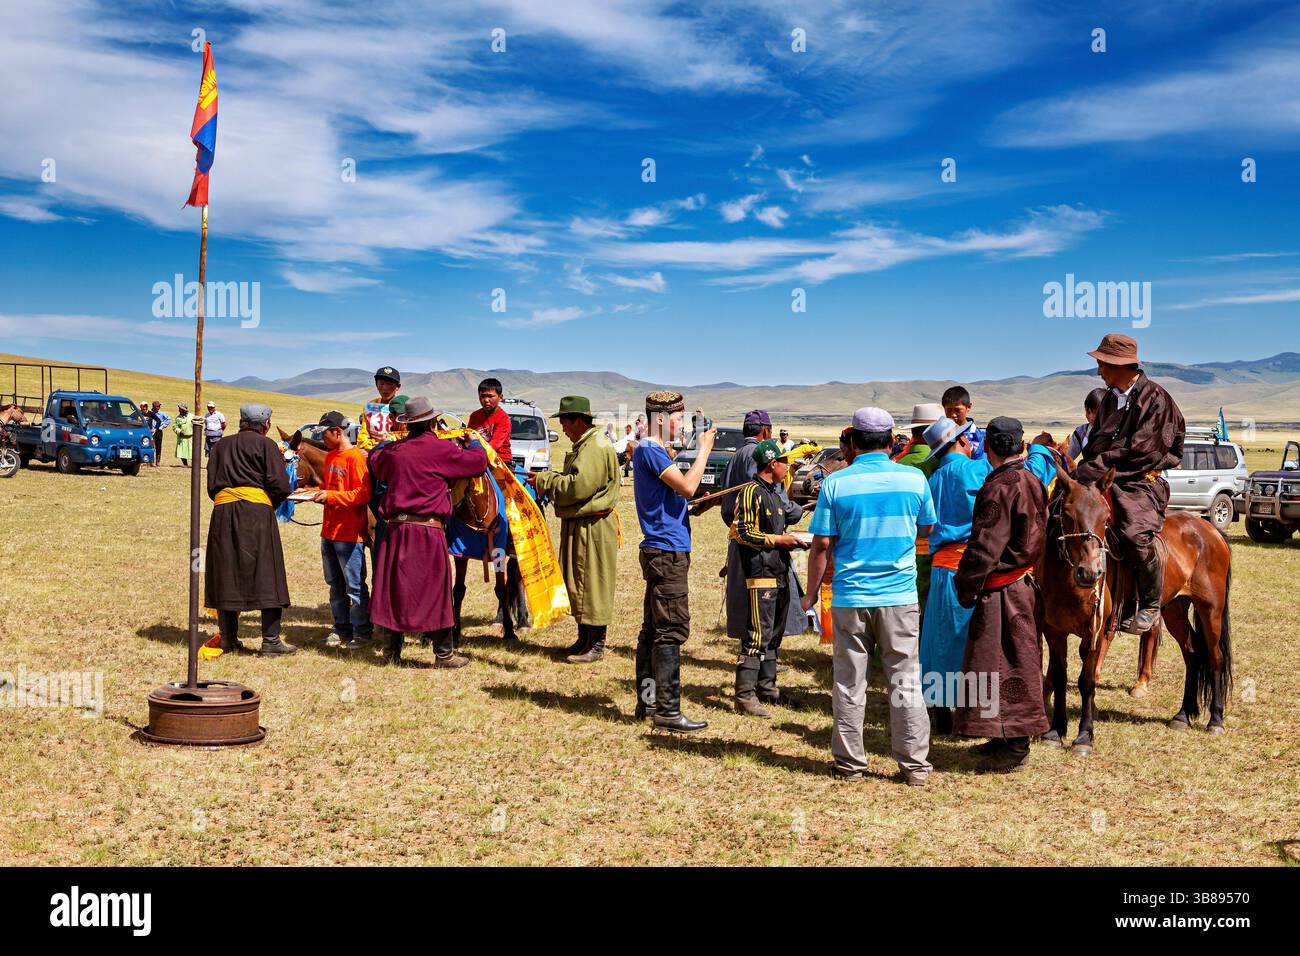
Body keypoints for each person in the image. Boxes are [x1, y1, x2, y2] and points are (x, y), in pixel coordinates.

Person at [801, 407, 935, 786]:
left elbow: (822, 544)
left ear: (854, 442)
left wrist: (810, 594)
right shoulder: (913, 480)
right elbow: (925, 526)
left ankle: (850, 764)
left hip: (850, 598)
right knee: (905, 680)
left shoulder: (837, 484)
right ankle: (915, 767)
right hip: (899, 598)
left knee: (849, 682)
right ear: (893, 442)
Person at [953, 416, 1050, 771]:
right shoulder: (1032, 479)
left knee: (1009, 663)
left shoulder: (999, 486)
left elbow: (985, 546)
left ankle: (1016, 746)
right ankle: (1002, 734)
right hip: (1021, 584)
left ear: (988, 446)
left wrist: (964, 583)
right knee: (1000, 662)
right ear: (1021, 446)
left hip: (1002, 588)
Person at [1075, 334, 1185, 634]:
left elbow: (1143, 450)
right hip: (1108, 477)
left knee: (1134, 533)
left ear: (1119, 365)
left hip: (1140, 481)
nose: (1099, 371)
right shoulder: (1110, 398)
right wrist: (1084, 468)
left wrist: (1095, 467)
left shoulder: (1156, 399)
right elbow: (1096, 443)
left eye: (1102, 364)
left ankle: (1149, 602)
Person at [367, 397, 488, 666]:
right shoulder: (440, 450)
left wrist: (385, 443)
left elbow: (375, 460)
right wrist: (475, 442)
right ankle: (443, 655)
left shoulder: (394, 452)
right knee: (436, 589)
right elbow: (477, 464)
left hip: (396, 529)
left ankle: (391, 654)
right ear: (433, 422)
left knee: (394, 589)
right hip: (427, 531)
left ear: (408, 424)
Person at [631, 389, 715, 730]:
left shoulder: (652, 451)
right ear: (662, 420)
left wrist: (692, 508)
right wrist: (705, 449)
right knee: (670, 630)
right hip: (667, 552)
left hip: (662, 548)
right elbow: (688, 486)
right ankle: (666, 710)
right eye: (679, 419)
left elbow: (674, 499)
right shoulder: (651, 450)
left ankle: (649, 703)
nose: (682, 426)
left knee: (653, 629)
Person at [531, 396, 621, 664]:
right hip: (584, 523)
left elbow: (579, 487)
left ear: (578, 421)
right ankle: (584, 640)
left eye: (566, 423)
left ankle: (596, 644)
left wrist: (546, 480)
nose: (564, 430)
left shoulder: (593, 446)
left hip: (591, 526)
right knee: (581, 581)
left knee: (591, 582)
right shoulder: (591, 442)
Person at [204, 404, 295, 655]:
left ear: (241, 422)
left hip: (223, 513)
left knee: (226, 570)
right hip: (256, 514)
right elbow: (280, 484)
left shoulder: (220, 445)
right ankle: (271, 642)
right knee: (267, 571)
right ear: (265, 425)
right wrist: (266, 503)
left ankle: (229, 639)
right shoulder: (267, 445)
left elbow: (212, 487)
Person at [718, 409, 810, 651]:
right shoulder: (759, 460)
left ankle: (753, 654)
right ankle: (764, 659)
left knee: (746, 600)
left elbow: (727, 507)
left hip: (740, 539)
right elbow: (773, 498)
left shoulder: (736, 455)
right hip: (764, 546)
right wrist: (796, 511)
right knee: (767, 605)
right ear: (767, 431)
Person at [731, 439, 809, 716]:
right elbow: (742, 532)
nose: (788, 467)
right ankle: (745, 695)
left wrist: (791, 541)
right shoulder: (751, 492)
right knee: (757, 634)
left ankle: (767, 687)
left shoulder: (775, 493)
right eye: (785, 462)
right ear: (772, 463)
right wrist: (779, 540)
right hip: (760, 573)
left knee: (774, 634)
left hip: (779, 570)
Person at [311, 411, 373, 650]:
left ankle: (362, 632)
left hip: (349, 533)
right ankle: (341, 628)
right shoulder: (330, 457)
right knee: (335, 584)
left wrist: (331, 496)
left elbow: (362, 494)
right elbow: (330, 486)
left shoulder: (356, 458)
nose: (322, 439)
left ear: (337, 431)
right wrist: (313, 492)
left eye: (324, 434)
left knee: (354, 586)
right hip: (329, 531)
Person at [467, 377, 512, 464]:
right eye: (482, 396)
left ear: (500, 397)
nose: (486, 400)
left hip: (500, 460)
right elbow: (469, 437)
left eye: (490, 396)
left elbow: (494, 445)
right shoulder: (474, 416)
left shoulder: (503, 419)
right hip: (479, 457)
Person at [357, 366, 402, 453]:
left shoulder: (403, 407)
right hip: (373, 451)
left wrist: (389, 441)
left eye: (389, 384)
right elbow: (363, 436)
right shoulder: (371, 406)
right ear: (376, 385)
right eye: (381, 383)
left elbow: (407, 435)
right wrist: (376, 445)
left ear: (397, 387)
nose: (385, 388)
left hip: (396, 451)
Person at [941, 386, 985, 460]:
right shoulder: (941, 433)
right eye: (949, 410)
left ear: (968, 407)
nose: (953, 415)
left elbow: (979, 462)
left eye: (957, 410)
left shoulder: (974, 434)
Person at [1066, 387, 1108, 461]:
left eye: (1095, 412)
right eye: (1088, 412)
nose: (1091, 417)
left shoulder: (1115, 432)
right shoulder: (1081, 432)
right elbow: (1067, 458)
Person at [148, 402, 170, 467]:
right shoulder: (150, 413)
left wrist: (162, 426)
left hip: (159, 431)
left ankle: (158, 461)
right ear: (153, 407)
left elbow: (168, 419)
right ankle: (151, 461)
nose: (158, 407)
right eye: (157, 406)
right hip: (151, 431)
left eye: (159, 406)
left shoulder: (161, 414)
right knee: (151, 446)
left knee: (158, 446)